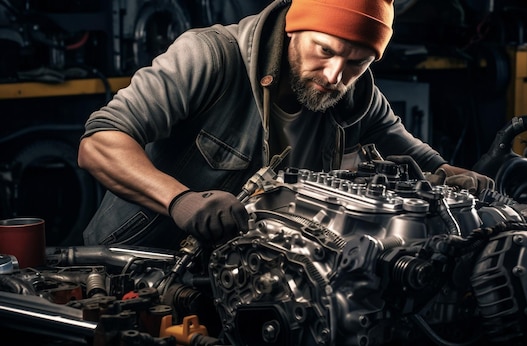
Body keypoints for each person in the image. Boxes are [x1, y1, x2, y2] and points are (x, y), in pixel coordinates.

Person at [77, 0, 494, 249]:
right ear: (295, 29)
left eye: (356, 62)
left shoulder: (356, 95)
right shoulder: (209, 57)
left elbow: (412, 153)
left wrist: (454, 176)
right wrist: (181, 201)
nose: (335, 76)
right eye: (325, 50)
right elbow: (100, 142)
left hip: (248, 280)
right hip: (134, 271)